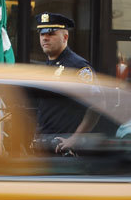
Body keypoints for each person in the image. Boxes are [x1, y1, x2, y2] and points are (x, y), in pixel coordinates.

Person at [34, 12, 99, 153]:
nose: (45, 38)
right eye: (41, 34)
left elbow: (97, 105)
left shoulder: (78, 66)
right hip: (45, 146)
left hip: (64, 150)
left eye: (51, 33)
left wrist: (75, 139)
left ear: (65, 37)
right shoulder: (48, 64)